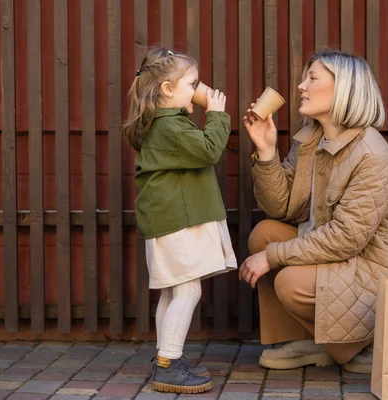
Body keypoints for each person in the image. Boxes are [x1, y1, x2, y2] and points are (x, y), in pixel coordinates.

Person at [239, 49, 388, 374]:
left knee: (287, 278)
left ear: (343, 89)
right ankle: (306, 340)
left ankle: (360, 349)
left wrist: (272, 256)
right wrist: (266, 151)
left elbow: (346, 238)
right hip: (341, 257)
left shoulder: (371, 155)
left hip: (375, 269)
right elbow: (280, 207)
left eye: (312, 78)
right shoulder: (312, 139)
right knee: (264, 234)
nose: (300, 86)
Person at [123, 47, 237, 393]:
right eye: (193, 83)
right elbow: (208, 150)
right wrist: (217, 114)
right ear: (168, 90)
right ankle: (168, 365)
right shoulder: (170, 126)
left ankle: (166, 357)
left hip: (169, 219)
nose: (198, 89)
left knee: (174, 291)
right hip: (177, 220)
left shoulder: (163, 123)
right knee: (188, 289)